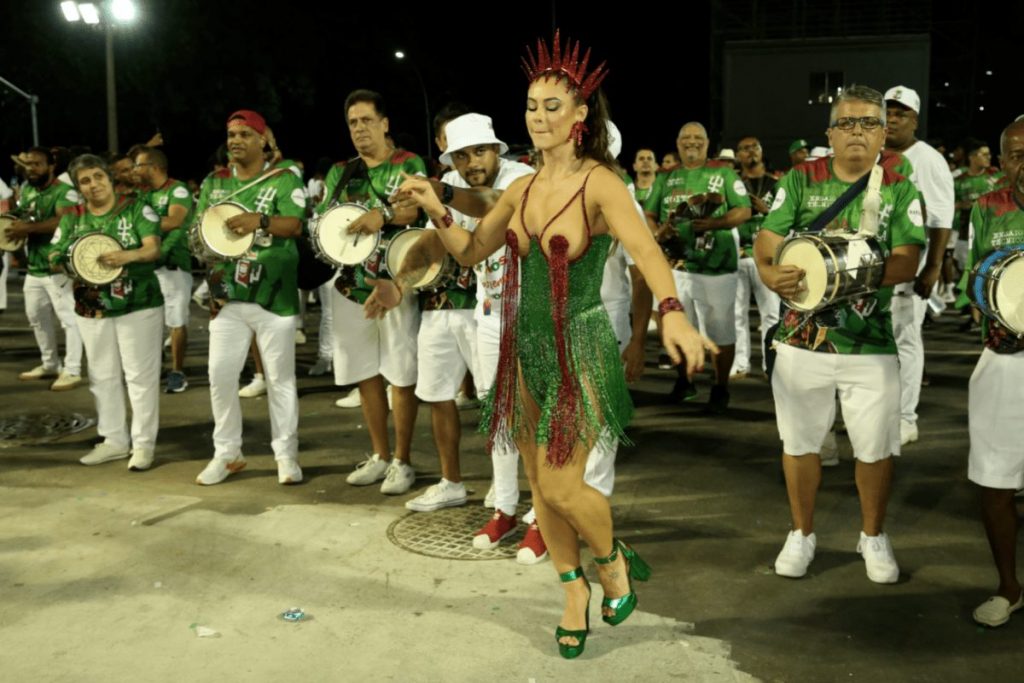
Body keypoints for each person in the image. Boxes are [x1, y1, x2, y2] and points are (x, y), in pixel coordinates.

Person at [389, 32, 712, 659]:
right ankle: (573, 594)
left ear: (581, 116)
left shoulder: (601, 184)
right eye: (532, 105)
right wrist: (434, 205)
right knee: (540, 487)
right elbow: (470, 251)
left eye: (551, 106)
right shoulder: (521, 188)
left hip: (581, 343)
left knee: (565, 486)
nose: (538, 116)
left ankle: (612, 559)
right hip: (523, 346)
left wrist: (670, 313)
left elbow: (646, 253)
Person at [754, 84, 925, 584]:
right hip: (801, 341)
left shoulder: (898, 186)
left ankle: (872, 535)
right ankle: (801, 533)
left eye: (869, 122)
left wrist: (833, 274)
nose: (858, 131)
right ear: (830, 132)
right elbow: (768, 244)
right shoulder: (802, 178)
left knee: (874, 448)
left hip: (871, 345)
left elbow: (907, 261)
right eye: (847, 123)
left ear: (883, 133)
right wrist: (768, 272)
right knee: (801, 443)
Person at [193, 110, 306, 486]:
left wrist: (259, 221)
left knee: (280, 379)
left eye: (245, 134)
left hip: (275, 296)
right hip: (229, 296)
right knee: (219, 376)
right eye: (231, 134)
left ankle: (286, 455)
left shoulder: (285, 178)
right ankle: (227, 454)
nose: (236, 140)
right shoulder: (214, 183)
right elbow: (203, 233)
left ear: (263, 139)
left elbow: (295, 225)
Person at [324, 89, 427, 496]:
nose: (360, 129)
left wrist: (379, 214)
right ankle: (380, 455)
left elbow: (413, 209)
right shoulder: (341, 172)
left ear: (385, 124)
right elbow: (331, 220)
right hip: (352, 285)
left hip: (396, 283)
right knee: (365, 373)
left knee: (400, 374)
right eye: (353, 123)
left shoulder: (408, 163)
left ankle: (403, 461)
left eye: (367, 120)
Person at [50, 154, 164, 470]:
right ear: (78, 188)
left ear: (109, 177)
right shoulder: (72, 217)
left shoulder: (137, 208)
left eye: (98, 176)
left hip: (138, 304)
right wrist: (73, 262)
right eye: (85, 181)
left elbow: (153, 248)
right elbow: (55, 255)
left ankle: (143, 445)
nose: (93, 185)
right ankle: (114, 440)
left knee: (140, 377)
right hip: (91, 308)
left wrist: (127, 256)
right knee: (102, 376)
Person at [960, 119, 1024, 627]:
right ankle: (1008, 586)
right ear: (1001, 163)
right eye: (1016, 155)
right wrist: (989, 301)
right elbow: (973, 279)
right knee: (994, 478)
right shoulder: (986, 207)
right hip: (1004, 357)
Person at [644, 121, 752, 412]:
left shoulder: (724, 173)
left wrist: (715, 223)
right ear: (678, 143)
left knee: (720, 330)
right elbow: (650, 213)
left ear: (707, 143)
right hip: (677, 265)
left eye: (698, 138)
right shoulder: (666, 178)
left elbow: (744, 210)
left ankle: (720, 387)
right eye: (686, 138)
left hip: (717, 266)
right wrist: (657, 232)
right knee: (680, 325)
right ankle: (684, 381)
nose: (692, 142)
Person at [882, 85, 955, 445]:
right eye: (888, 112)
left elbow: (942, 217)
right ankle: (882, 413)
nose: (892, 119)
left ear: (915, 120)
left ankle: (906, 417)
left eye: (900, 114)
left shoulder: (927, 158)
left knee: (906, 341)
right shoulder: (874, 154)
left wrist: (933, 267)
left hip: (911, 266)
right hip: (875, 267)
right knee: (878, 343)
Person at [6, 147, 85, 390]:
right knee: (36, 317)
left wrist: (27, 229)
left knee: (69, 320)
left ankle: (72, 370)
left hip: (58, 268)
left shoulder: (66, 193)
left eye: (37, 164)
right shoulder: (28, 189)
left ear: (51, 166)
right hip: (35, 267)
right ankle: (50, 364)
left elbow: (63, 221)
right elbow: (23, 215)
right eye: (28, 164)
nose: (31, 169)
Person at [133, 146, 194, 393]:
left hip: (174, 266)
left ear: (154, 167)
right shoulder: (142, 194)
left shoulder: (177, 189)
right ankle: (155, 367)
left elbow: (175, 220)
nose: (136, 170)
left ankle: (178, 372)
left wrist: (143, 228)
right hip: (148, 266)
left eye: (139, 165)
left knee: (176, 320)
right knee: (148, 320)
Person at [731, 135, 780, 378]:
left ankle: (770, 364)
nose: (750, 152)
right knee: (737, 313)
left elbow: (786, 219)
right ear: (738, 155)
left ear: (761, 151)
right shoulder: (735, 185)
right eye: (744, 148)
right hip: (739, 254)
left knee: (770, 313)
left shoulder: (776, 183)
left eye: (754, 147)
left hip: (767, 256)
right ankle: (741, 363)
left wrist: (766, 210)